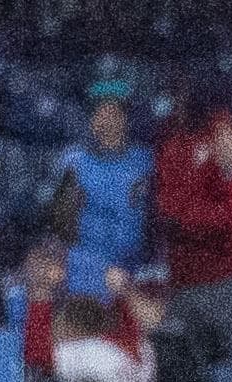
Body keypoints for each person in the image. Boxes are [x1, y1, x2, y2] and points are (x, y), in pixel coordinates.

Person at [153, 82, 232, 370]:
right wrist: (214, 218)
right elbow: (173, 215)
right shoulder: (173, 149)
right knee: (188, 377)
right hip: (189, 284)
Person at [53, 80, 152, 298]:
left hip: (133, 268)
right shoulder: (74, 162)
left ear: (125, 119)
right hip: (85, 268)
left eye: (114, 112)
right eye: (100, 112)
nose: (107, 120)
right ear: (91, 120)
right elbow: (62, 224)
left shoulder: (146, 160)